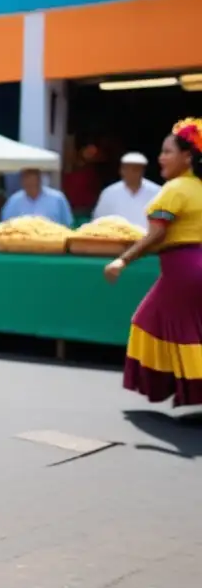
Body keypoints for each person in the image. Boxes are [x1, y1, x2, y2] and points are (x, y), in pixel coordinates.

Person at [106, 119, 202, 407]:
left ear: (187, 157)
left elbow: (158, 233)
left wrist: (123, 260)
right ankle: (169, 386)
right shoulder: (197, 187)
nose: (161, 157)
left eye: (167, 151)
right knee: (152, 321)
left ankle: (185, 389)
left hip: (184, 272)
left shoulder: (176, 189)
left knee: (182, 333)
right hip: (186, 267)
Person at [91, 152, 161, 229]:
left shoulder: (157, 192)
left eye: (135, 169)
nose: (130, 173)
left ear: (142, 171)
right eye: (126, 169)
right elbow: (98, 221)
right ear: (121, 170)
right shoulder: (109, 192)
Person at [1, 168, 74, 227]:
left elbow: (68, 225)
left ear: (39, 179)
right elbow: (5, 226)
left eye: (31, 177)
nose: (28, 181)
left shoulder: (57, 198)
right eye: (25, 177)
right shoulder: (13, 201)